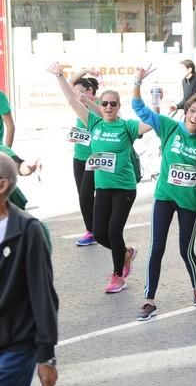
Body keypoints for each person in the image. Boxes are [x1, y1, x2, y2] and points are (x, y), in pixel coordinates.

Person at [49, 62, 151, 293]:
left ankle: (117, 277)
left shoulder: (127, 126)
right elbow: (72, 100)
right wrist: (59, 76)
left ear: (118, 107)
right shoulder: (93, 122)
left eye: (112, 104)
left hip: (124, 188)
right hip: (103, 187)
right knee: (100, 233)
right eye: (104, 103)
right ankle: (126, 253)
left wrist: (141, 88)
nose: (107, 107)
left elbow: (151, 124)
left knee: (114, 231)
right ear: (100, 105)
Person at [132, 67, 196, 321]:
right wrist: (137, 80)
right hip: (165, 197)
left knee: (185, 250)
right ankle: (149, 299)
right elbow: (139, 107)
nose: (194, 116)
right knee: (156, 247)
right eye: (192, 111)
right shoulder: (170, 127)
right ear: (186, 110)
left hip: (190, 201)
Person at [0, 154, 58, 386]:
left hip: (17, 343)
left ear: (2, 185)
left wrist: (46, 356)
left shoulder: (28, 230)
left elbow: (42, 294)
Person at [66, 70, 101, 246]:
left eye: (80, 91)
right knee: (83, 195)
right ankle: (95, 228)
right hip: (78, 156)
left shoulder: (101, 103)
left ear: (89, 91)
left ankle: (92, 231)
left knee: (86, 195)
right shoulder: (77, 105)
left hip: (93, 159)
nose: (75, 94)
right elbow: (70, 82)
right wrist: (85, 69)